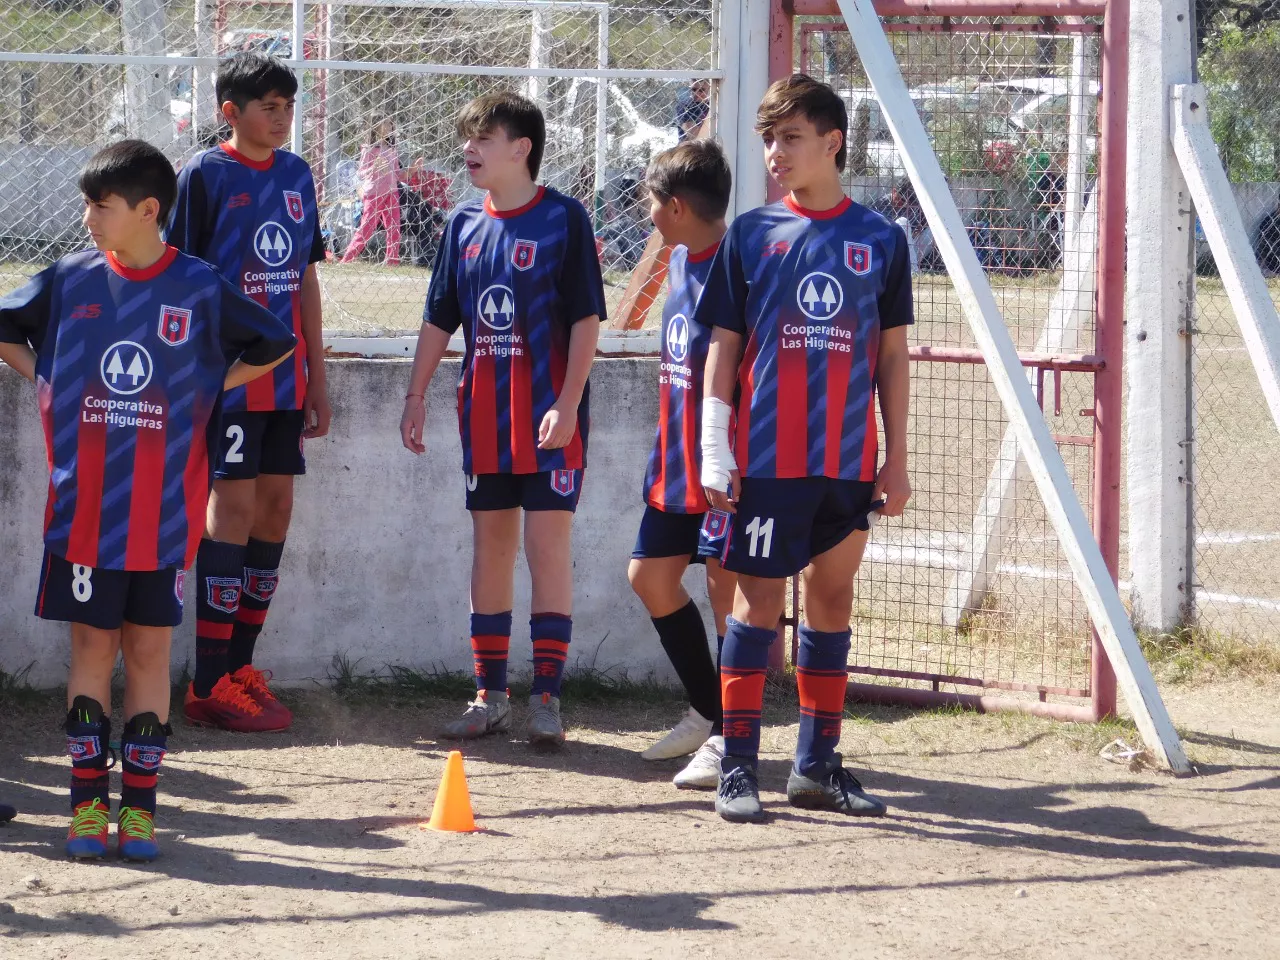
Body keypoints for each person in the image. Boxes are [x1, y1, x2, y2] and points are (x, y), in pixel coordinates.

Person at [0, 140, 295, 860]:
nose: (88, 218)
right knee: (91, 650)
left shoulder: (198, 286)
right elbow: (5, 324)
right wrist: (48, 378)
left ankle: (139, 814)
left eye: (100, 206)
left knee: (150, 652)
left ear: (148, 210)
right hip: (83, 515)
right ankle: (85, 809)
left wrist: (208, 387)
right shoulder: (70, 278)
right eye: (87, 205)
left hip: (163, 518)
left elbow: (275, 343)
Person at [695, 74, 913, 823]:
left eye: (790, 137)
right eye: (768, 139)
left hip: (847, 463)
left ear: (833, 142)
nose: (775, 152)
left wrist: (897, 456)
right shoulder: (751, 234)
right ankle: (738, 766)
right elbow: (723, 347)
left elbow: (891, 356)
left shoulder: (881, 239)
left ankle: (816, 767)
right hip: (766, 460)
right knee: (757, 605)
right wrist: (713, 446)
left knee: (831, 599)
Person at [400, 92, 606, 747]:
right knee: (489, 551)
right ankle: (489, 697)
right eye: (468, 137)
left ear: (522, 149)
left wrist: (568, 402)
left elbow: (586, 320)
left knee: (546, 550)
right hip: (485, 420)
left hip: (549, 422)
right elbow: (439, 317)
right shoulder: (462, 224)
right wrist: (414, 395)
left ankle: (547, 698)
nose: (469, 148)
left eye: (484, 137)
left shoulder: (564, 219)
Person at [168, 50, 330, 733]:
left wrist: (318, 376)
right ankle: (207, 681)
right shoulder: (203, 175)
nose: (282, 117)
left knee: (275, 510)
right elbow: (177, 278)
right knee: (229, 510)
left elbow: (306, 278)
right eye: (269, 106)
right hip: (228, 378)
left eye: (288, 106)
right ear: (230, 112)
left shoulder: (297, 174)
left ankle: (240, 669)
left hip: (286, 379)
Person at [628, 140, 736, 788]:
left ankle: (730, 737)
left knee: (728, 595)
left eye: (650, 201)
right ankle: (707, 709)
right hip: (673, 461)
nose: (646, 213)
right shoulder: (675, 260)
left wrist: (730, 455)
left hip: (724, 465)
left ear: (676, 207)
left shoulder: (739, 266)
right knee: (649, 577)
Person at [341, 116, 403, 266]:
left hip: (392, 192)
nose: (389, 127)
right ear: (376, 127)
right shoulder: (368, 149)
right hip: (374, 193)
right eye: (385, 123)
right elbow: (361, 173)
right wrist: (374, 167)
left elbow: (397, 174)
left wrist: (412, 170)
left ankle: (392, 261)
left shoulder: (392, 149)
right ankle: (347, 259)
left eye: (390, 124)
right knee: (367, 228)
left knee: (394, 227)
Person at [400, 157, 453, 267]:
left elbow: (405, 176)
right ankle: (438, 215)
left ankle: (425, 259)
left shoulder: (397, 182)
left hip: (411, 215)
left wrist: (414, 167)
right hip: (398, 217)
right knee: (406, 190)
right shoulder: (379, 183)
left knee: (425, 219)